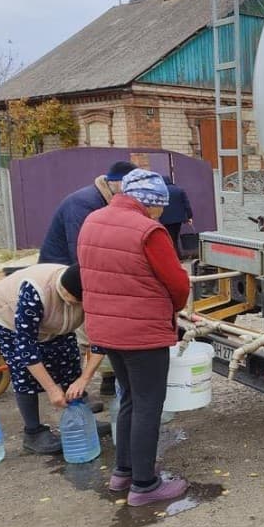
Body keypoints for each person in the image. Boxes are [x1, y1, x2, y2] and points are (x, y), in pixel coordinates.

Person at [78, 169, 191, 506]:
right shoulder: (149, 230)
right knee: (147, 405)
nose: (160, 215)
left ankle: (123, 471)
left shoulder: (93, 220)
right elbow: (177, 284)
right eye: (159, 208)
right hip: (142, 333)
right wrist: (174, 307)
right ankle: (145, 485)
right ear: (151, 203)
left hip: (106, 329)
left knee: (127, 398)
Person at [0, 264, 105, 453]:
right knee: (23, 370)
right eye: (68, 298)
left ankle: (82, 418)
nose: (71, 303)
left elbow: (101, 340)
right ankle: (33, 433)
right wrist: (51, 388)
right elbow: (26, 347)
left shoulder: (92, 294)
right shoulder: (35, 292)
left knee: (68, 358)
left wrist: (84, 379)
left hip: (55, 324)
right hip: (7, 319)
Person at [39, 159, 135, 396]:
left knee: (97, 324)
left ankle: (107, 377)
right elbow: (81, 250)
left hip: (80, 269)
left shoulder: (104, 199)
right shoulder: (84, 204)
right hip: (65, 273)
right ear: (114, 184)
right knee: (88, 327)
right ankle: (78, 389)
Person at [159, 176, 194, 256]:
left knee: (170, 238)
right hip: (178, 219)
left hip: (165, 219)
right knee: (175, 237)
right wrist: (189, 216)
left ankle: (175, 256)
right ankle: (178, 255)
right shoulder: (179, 190)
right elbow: (187, 204)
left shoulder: (161, 192)